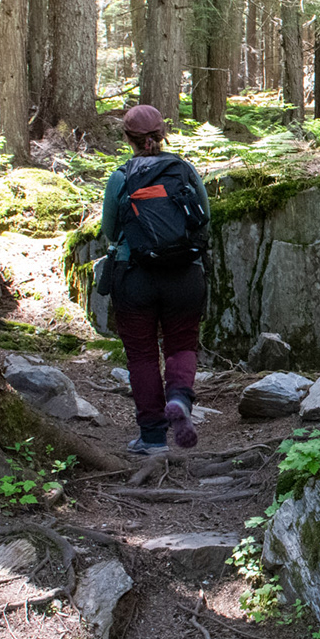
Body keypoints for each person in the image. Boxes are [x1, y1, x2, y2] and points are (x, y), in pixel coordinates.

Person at [97, 104, 212, 455]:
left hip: (135, 278)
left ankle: (151, 438)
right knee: (181, 345)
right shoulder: (184, 171)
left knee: (142, 357)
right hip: (184, 276)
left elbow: (110, 231)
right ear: (162, 134)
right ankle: (178, 398)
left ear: (127, 139)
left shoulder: (120, 177)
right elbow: (204, 218)